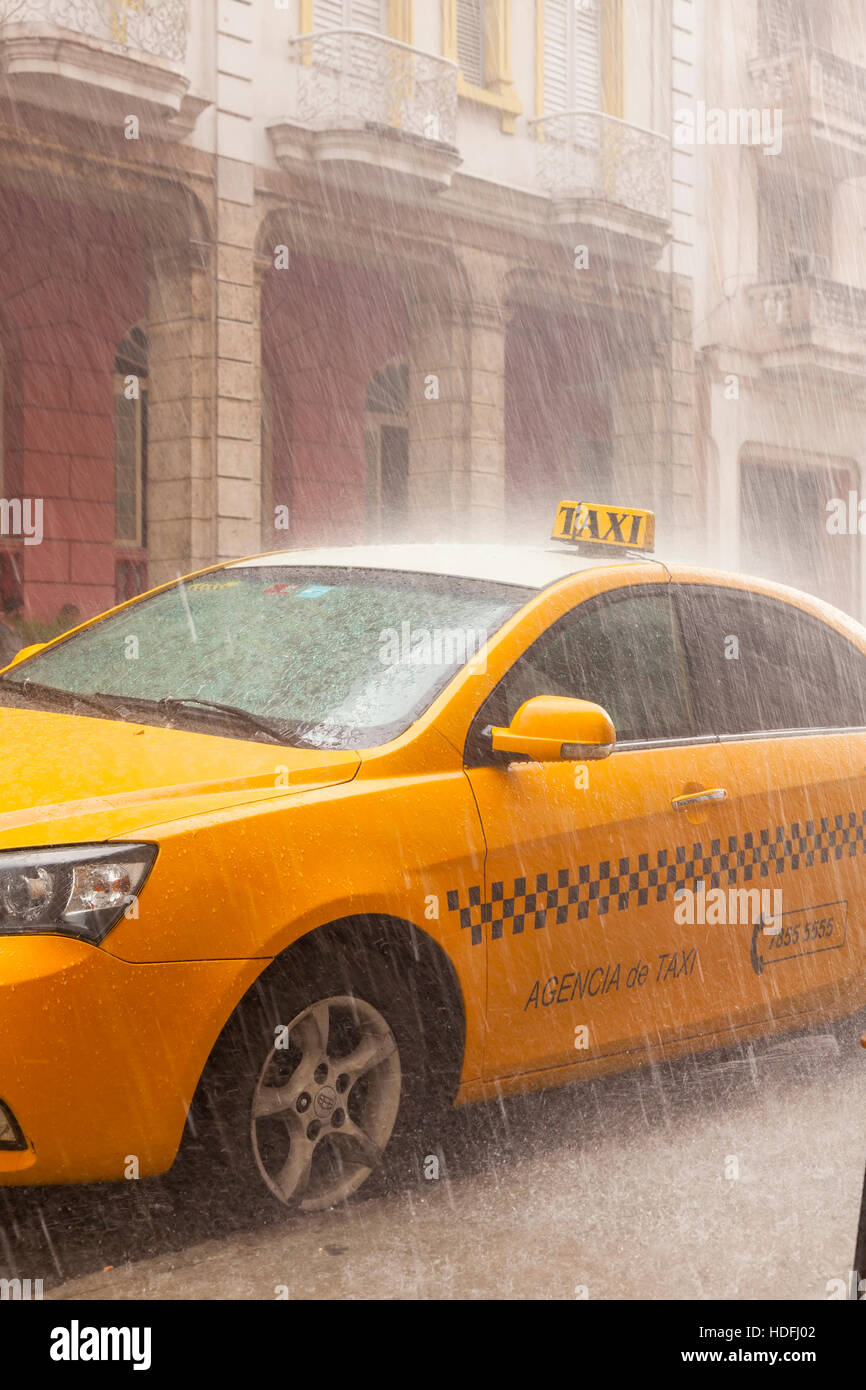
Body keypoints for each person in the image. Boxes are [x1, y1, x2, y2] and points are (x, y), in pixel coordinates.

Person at [0, 595, 22, 668]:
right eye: (17, 611)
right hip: (6, 670)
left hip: (21, 666)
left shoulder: (19, 629)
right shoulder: (1, 629)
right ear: (9, 611)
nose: (20, 613)